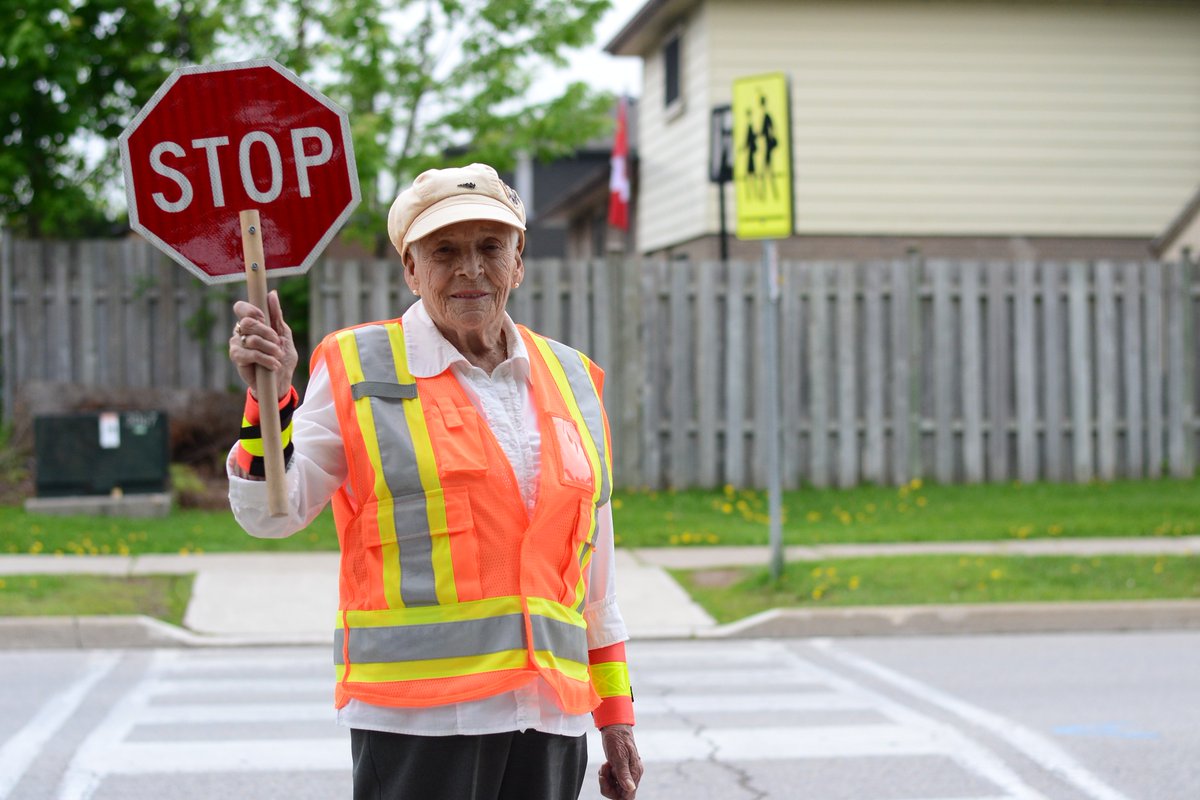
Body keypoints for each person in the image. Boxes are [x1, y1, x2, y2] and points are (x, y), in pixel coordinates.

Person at [226, 163, 643, 800]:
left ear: (519, 260)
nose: (471, 269)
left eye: (490, 247)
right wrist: (271, 396)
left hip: (550, 719)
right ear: (411, 270)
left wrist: (614, 717)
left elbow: (595, 584)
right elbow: (271, 513)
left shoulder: (573, 378)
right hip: (419, 723)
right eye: (445, 251)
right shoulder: (356, 364)